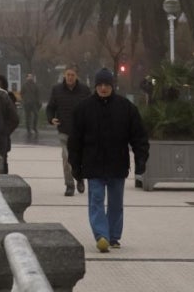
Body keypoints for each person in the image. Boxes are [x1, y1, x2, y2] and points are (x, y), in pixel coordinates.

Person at [68, 68, 149, 253]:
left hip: (117, 163)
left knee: (115, 202)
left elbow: (139, 137)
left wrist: (141, 159)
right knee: (96, 200)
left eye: (106, 85)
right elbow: (75, 141)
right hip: (93, 164)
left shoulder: (126, 108)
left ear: (112, 86)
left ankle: (113, 236)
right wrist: (76, 166)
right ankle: (101, 235)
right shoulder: (83, 109)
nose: (103, 88)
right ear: (95, 86)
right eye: (100, 85)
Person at [46, 65, 91, 196]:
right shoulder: (57, 90)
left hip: (80, 131)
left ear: (76, 76)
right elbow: (50, 107)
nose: (70, 77)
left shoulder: (85, 90)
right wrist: (51, 119)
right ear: (64, 75)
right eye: (68, 75)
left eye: (72, 75)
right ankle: (69, 184)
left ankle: (80, 178)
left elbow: (91, 108)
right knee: (66, 158)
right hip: (64, 130)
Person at [21, 73, 41, 139]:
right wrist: (24, 100)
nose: (30, 78)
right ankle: (28, 129)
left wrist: (38, 101)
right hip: (27, 103)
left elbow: (38, 94)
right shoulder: (24, 85)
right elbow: (22, 93)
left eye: (31, 76)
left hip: (34, 103)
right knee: (27, 116)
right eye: (29, 76)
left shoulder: (35, 85)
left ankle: (34, 127)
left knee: (36, 114)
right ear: (26, 78)